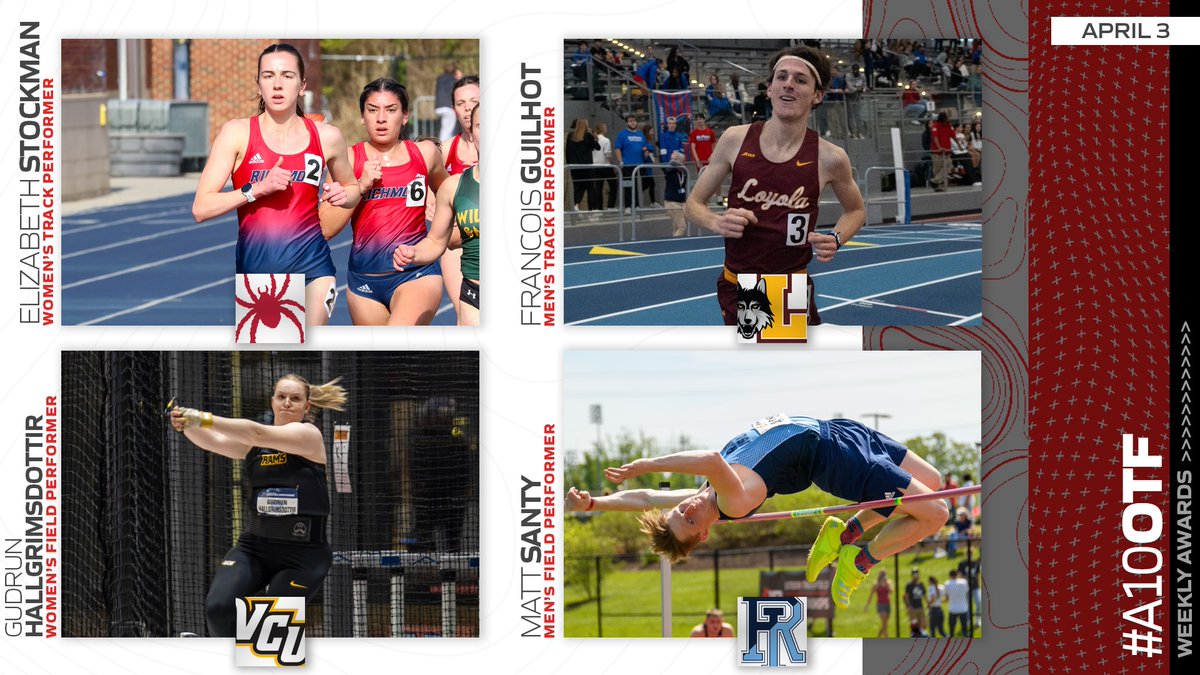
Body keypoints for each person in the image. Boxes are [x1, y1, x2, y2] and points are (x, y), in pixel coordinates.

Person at [565, 414, 948, 609]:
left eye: (681, 509)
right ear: (704, 534)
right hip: (839, 460)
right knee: (937, 513)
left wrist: (595, 503)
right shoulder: (732, 500)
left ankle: (843, 534)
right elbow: (713, 460)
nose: (690, 507)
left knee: (931, 481)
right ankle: (861, 561)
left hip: (838, 430)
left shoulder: (705, 494)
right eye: (691, 520)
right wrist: (646, 463)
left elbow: (646, 499)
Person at [683, 45, 867, 327]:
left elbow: (856, 211)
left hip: (792, 282)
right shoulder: (734, 139)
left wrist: (836, 238)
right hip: (741, 282)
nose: (788, 85)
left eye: (800, 80)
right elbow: (693, 204)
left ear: (817, 96)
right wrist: (717, 223)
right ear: (769, 88)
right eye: (781, 77)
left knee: (791, 367)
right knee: (758, 366)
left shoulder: (830, 157)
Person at [192, 43, 359, 327]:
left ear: (302, 85)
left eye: (287, 76)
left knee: (311, 346)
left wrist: (343, 195)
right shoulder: (237, 133)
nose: (278, 85)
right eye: (269, 76)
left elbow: (353, 188)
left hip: (314, 266)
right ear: (258, 85)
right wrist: (255, 189)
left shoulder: (328, 137)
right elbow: (201, 208)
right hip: (259, 272)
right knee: (272, 361)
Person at [169, 373, 348, 637]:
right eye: (281, 397)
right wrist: (186, 425)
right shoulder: (255, 446)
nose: (287, 403)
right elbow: (213, 442)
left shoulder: (308, 435)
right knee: (219, 609)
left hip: (301, 555)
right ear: (272, 401)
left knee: (270, 627)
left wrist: (203, 418)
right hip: (254, 548)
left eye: (295, 399)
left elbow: (256, 430)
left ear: (307, 407)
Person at [320, 78, 447, 326]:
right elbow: (325, 228)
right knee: (379, 363)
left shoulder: (425, 154)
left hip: (416, 274)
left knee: (395, 341)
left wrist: (440, 218)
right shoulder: (346, 159)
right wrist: (359, 186)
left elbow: (450, 193)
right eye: (372, 110)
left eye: (390, 110)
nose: (381, 118)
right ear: (361, 116)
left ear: (405, 116)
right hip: (364, 282)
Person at [394, 104, 481, 326]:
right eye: (482, 126)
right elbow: (436, 241)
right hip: (474, 294)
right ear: (472, 132)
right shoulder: (454, 186)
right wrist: (413, 252)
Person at [439, 75, 481, 322]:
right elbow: (429, 198)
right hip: (457, 242)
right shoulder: (444, 150)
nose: (467, 108)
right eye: (460, 102)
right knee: (464, 310)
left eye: (474, 101)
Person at [614, 115, 653, 211]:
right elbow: (617, 148)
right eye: (630, 121)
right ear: (627, 123)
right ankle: (628, 206)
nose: (633, 122)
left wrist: (646, 152)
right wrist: (621, 161)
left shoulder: (640, 134)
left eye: (634, 121)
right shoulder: (622, 134)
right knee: (628, 186)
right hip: (628, 165)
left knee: (638, 186)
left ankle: (636, 205)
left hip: (639, 165)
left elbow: (646, 147)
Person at [566, 118, 600, 210]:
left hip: (575, 167)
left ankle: (576, 204)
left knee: (577, 188)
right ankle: (591, 210)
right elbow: (598, 147)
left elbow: (568, 152)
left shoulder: (570, 136)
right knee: (590, 189)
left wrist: (570, 164)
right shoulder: (588, 135)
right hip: (587, 166)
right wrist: (594, 136)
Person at [592, 121, 617, 209]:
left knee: (598, 188)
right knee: (614, 186)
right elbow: (607, 154)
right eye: (605, 128)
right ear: (602, 129)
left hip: (595, 166)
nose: (606, 129)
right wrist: (612, 164)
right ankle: (610, 206)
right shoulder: (606, 140)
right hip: (605, 166)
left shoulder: (593, 139)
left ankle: (599, 208)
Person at [664, 151, 688, 236]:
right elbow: (671, 163)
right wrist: (676, 160)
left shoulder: (683, 172)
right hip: (672, 202)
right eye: (673, 159)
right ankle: (676, 243)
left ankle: (674, 242)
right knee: (682, 226)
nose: (673, 161)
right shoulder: (670, 171)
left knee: (677, 227)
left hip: (681, 202)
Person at [434, 63, 459, 141]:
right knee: (448, 129)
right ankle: (444, 146)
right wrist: (459, 77)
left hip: (439, 107)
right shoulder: (454, 80)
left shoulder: (440, 78)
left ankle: (444, 144)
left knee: (445, 127)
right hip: (448, 107)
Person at [930, 112, 954, 192]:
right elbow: (935, 137)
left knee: (948, 167)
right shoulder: (936, 125)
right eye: (947, 117)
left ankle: (934, 181)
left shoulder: (948, 125)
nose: (948, 119)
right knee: (937, 169)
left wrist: (959, 145)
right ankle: (937, 187)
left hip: (947, 151)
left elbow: (953, 135)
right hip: (937, 152)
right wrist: (939, 147)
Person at [865, 570, 893, 638]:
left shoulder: (888, 583)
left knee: (885, 624)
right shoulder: (876, 584)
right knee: (884, 623)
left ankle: (878, 637)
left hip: (887, 604)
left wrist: (887, 585)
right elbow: (871, 595)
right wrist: (867, 606)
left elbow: (892, 591)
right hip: (880, 605)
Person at [944, 568, 971, 636]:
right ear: (957, 574)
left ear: (950, 576)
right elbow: (966, 591)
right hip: (963, 608)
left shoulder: (947, 584)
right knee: (965, 630)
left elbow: (947, 597)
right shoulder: (964, 582)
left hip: (953, 609)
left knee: (952, 630)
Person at [904, 567, 927, 636]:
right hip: (913, 608)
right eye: (914, 575)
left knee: (923, 624)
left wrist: (927, 603)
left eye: (917, 575)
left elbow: (924, 595)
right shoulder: (909, 585)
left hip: (920, 606)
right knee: (914, 624)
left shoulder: (921, 584)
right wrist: (909, 606)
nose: (916, 577)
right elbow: (906, 597)